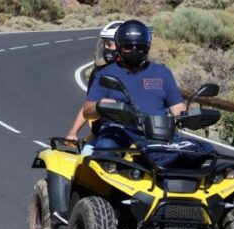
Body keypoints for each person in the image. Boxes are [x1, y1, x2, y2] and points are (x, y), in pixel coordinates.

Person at [81, 19, 187, 154]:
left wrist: (188, 117)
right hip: (117, 132)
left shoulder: (162, 73)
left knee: (191, 154)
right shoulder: (105, 73)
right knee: (104, 152)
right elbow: (87, 111)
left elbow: (178, 108)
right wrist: (99, 105)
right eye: (128, 46)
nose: (134, 50)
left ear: (147, 47)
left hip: (157, 133)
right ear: (119, 46)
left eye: (139, 46)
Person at [65, 21, 124, 141]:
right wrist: (72, 132)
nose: (105, 48)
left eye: (109, 44)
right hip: (105, 132)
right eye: (104, 44)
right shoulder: (100, 72)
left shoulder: (141, 74)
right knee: (87, 150)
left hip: (133, 134)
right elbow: (88, 106)